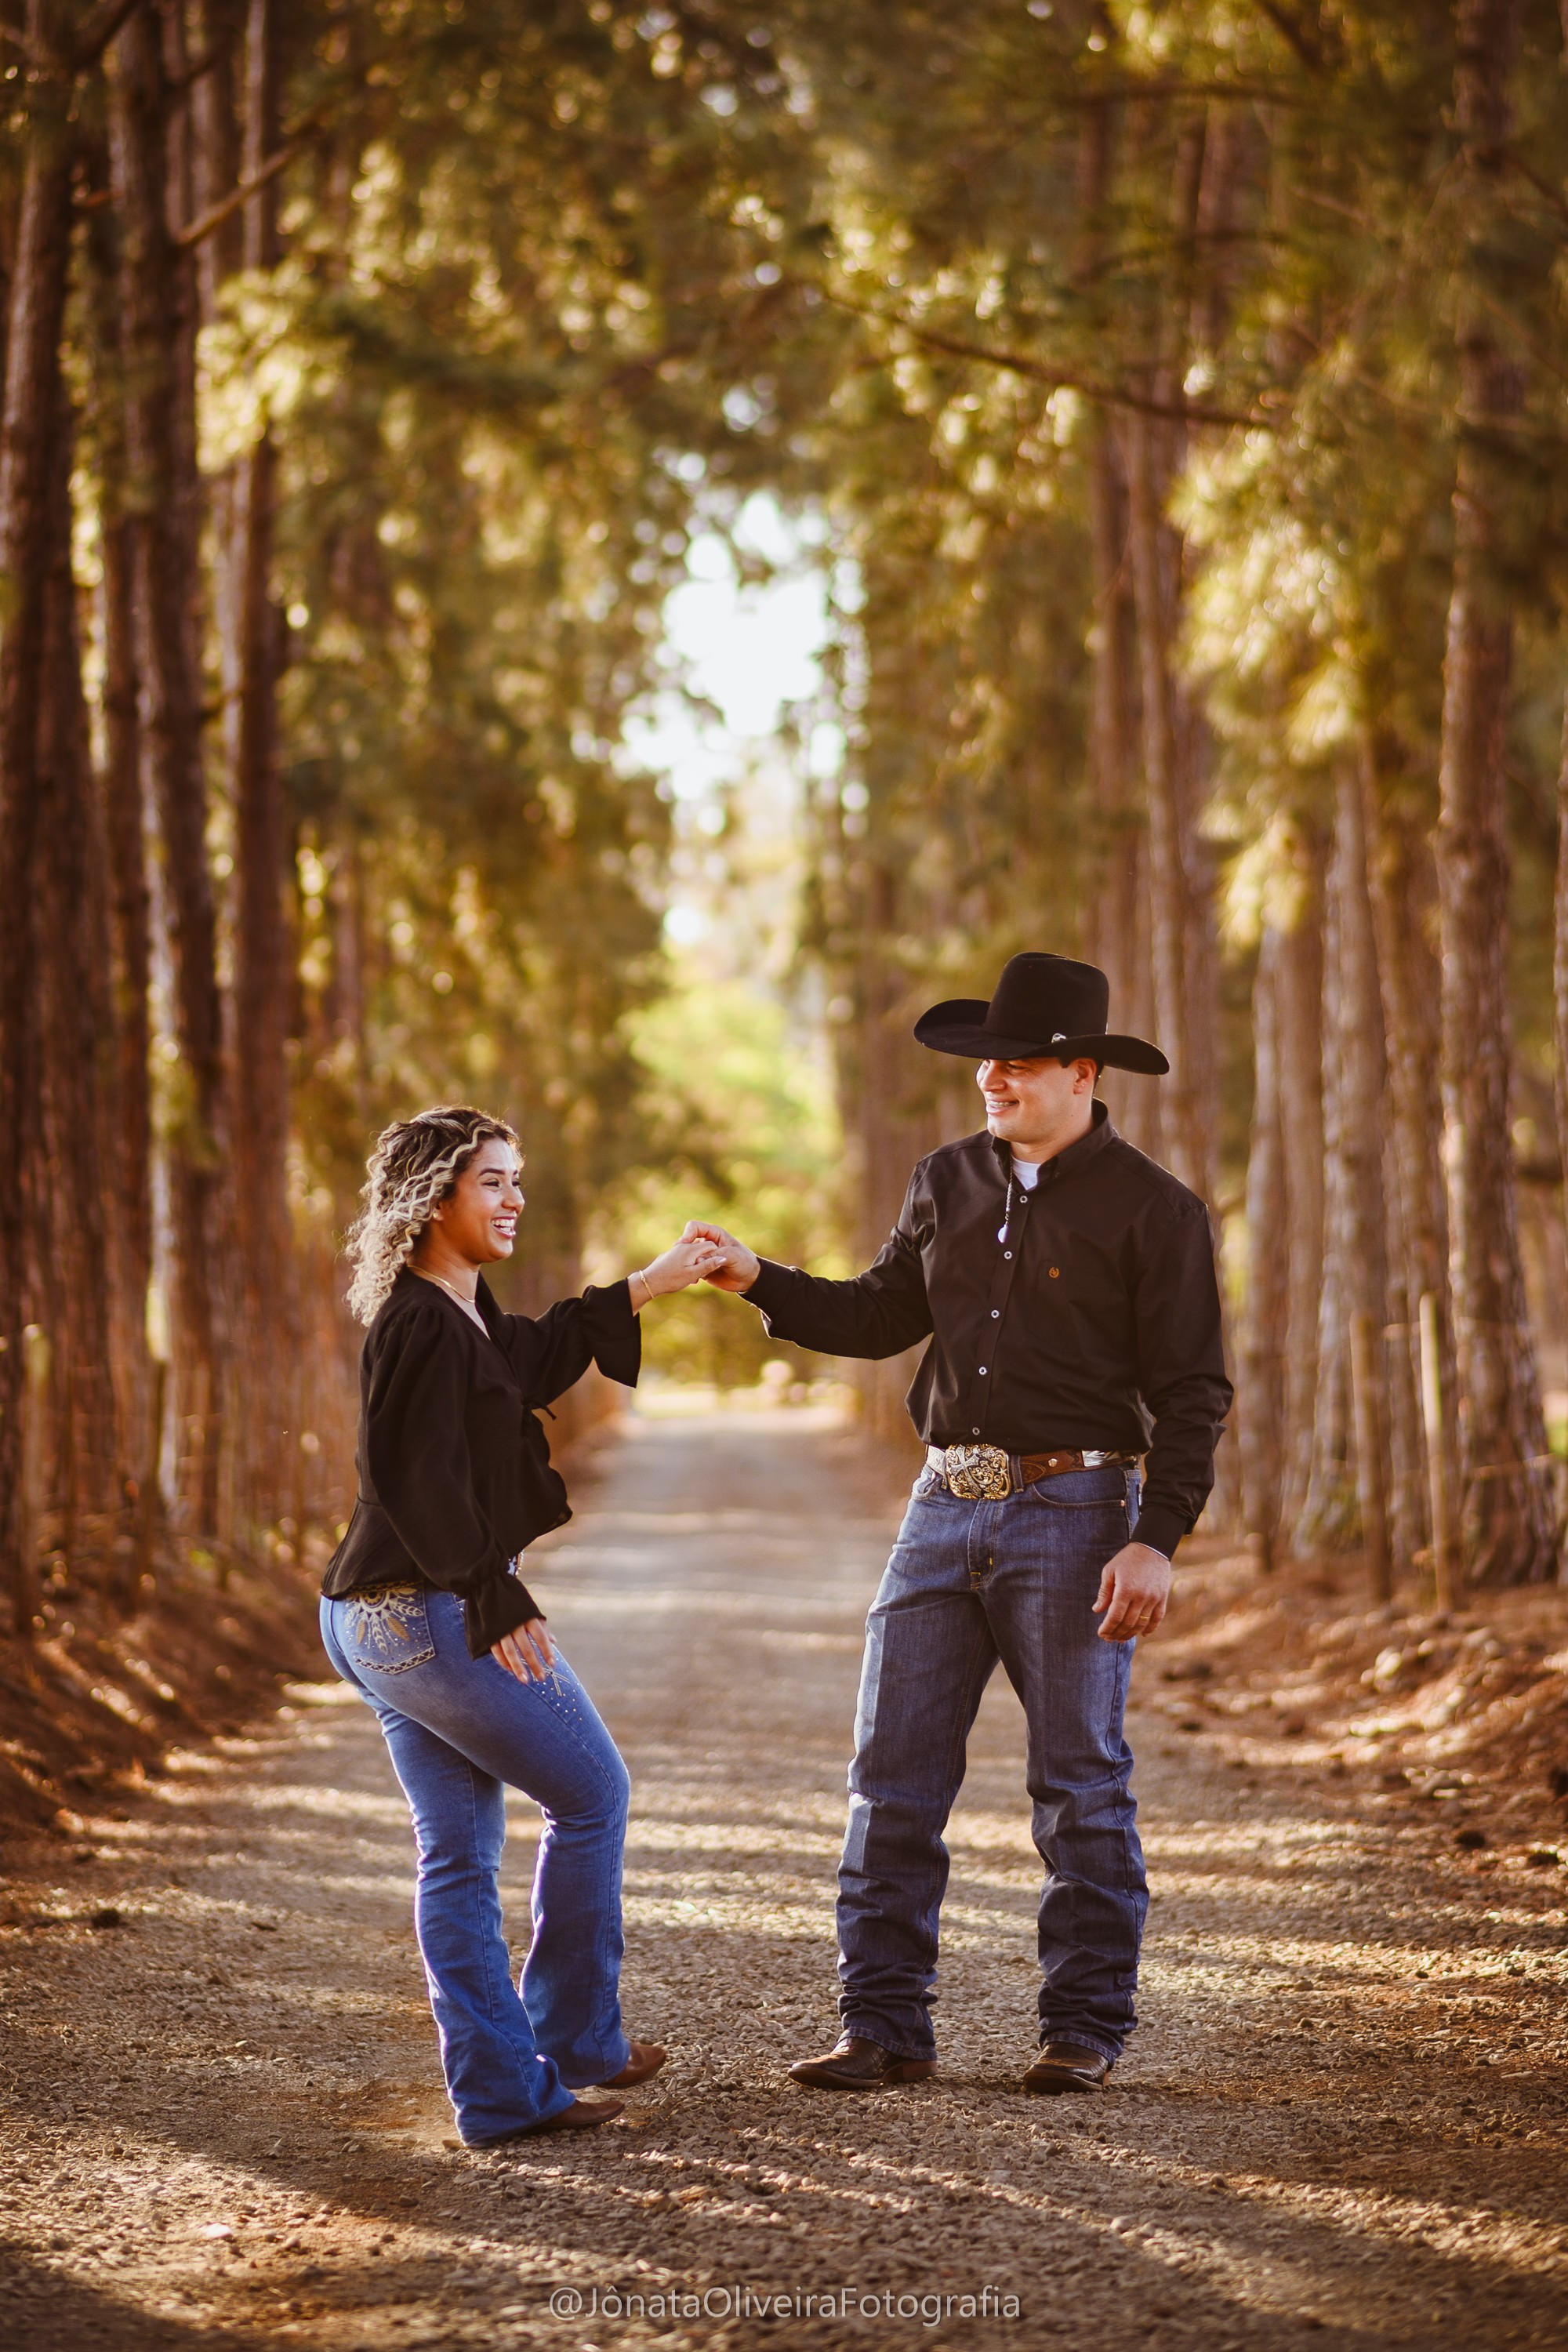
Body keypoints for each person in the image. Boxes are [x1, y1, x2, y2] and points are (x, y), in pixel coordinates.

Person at [691, 954, 1231, 2096]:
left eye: (1021, 1063)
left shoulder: (1157, 1211)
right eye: (988, 1060)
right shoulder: (945, 1179)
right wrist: (756, 1278)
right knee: (891, 1772)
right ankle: (882, 2027)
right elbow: (879, 1314)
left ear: (1084, 1073)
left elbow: (1192, 1393)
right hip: (941, 1507)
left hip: (1080, 1513)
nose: (994, 1078)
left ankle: (1081, 2027)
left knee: (1079, 1783)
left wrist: (1157, 1538)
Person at [321, 1105, 725, 2145]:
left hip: (381, 1616)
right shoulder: (415, 1319)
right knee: (591, 1795)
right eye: (493, 1181)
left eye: (518, 1179)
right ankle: (578, 2040)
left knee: (456, 1851)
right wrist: (490, 1593)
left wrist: (653, 1280)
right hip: (421, 1608)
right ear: (433, 1198)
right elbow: (402, 1472)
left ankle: (503, 2093)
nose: (514, 1198)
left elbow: (532, 1358)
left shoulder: (459, 1306)